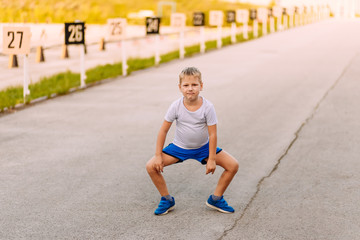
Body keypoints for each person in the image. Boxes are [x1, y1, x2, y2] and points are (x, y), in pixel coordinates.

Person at [146, 67, 239, 215]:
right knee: (151, 166)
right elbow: (163, 130)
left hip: (203, 148)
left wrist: (212, 159)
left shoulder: (208, 107)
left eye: (194, 85)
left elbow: (213, 134)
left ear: (201, 86)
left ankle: (216, 199)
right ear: (180, 87)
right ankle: (166, 200)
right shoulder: (175, 106)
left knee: (233, 165)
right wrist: (158, 155)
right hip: (179, 148)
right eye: (186, 85)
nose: (190, 89)